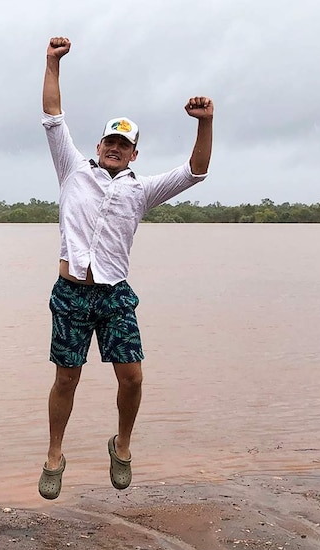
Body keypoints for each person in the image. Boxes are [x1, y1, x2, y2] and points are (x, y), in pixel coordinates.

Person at [38, 36, 214, 500]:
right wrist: (52, 62)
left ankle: (122, 444)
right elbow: (53, 118)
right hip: (72, 291)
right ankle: (55, 453)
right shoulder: (73, 169)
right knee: (66, 377)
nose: (116, 147)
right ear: (99, 144)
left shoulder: (142, 189)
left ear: (134, 153)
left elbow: (196, 171)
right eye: (110, 140)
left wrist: (206, 123)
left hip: (114, 293)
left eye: (124, 143)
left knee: (132, 377)